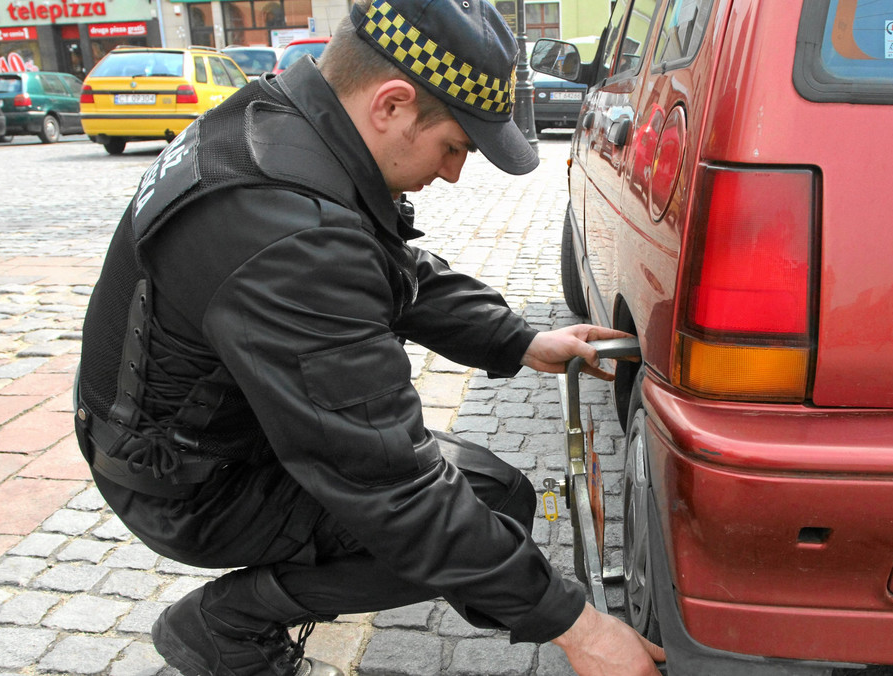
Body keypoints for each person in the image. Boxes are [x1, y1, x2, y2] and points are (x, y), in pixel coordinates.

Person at [72, 0, 666, 674]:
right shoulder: (287, 229)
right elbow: (392, 489)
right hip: (187, 483)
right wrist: (579, 628)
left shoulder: (285, 128)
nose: (452, 173)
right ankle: (224, 622)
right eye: (454, 146)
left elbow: (387, 271)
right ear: (391, 105)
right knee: (453, 512)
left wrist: (518, 340)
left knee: (493, 497)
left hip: (193, 434)